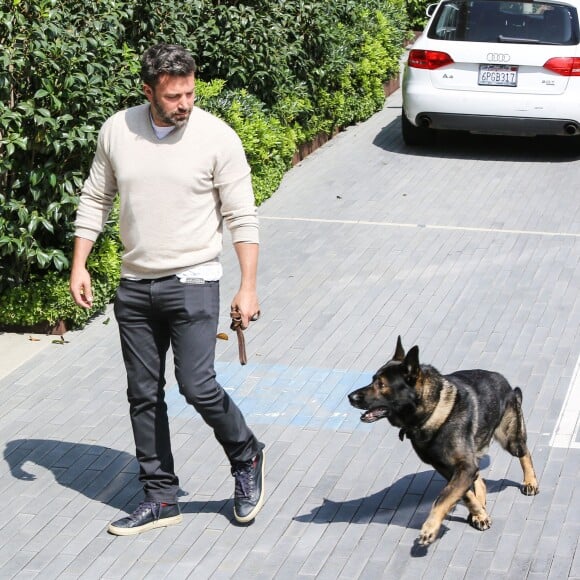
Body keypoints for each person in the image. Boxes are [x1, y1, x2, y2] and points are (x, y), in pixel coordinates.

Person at [69, 43, 265, 535]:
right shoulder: (118, 130)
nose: (184, 104)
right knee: (142, 392)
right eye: (174, 96)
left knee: (196, 386)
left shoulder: (217, 137)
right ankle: (160, 496)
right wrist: (80, 264)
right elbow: (96, 196)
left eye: (190, 93)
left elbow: (242, 215)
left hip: (195, 280)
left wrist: (248, 287)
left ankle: (246, 455)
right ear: (148, 92)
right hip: (135, 286)